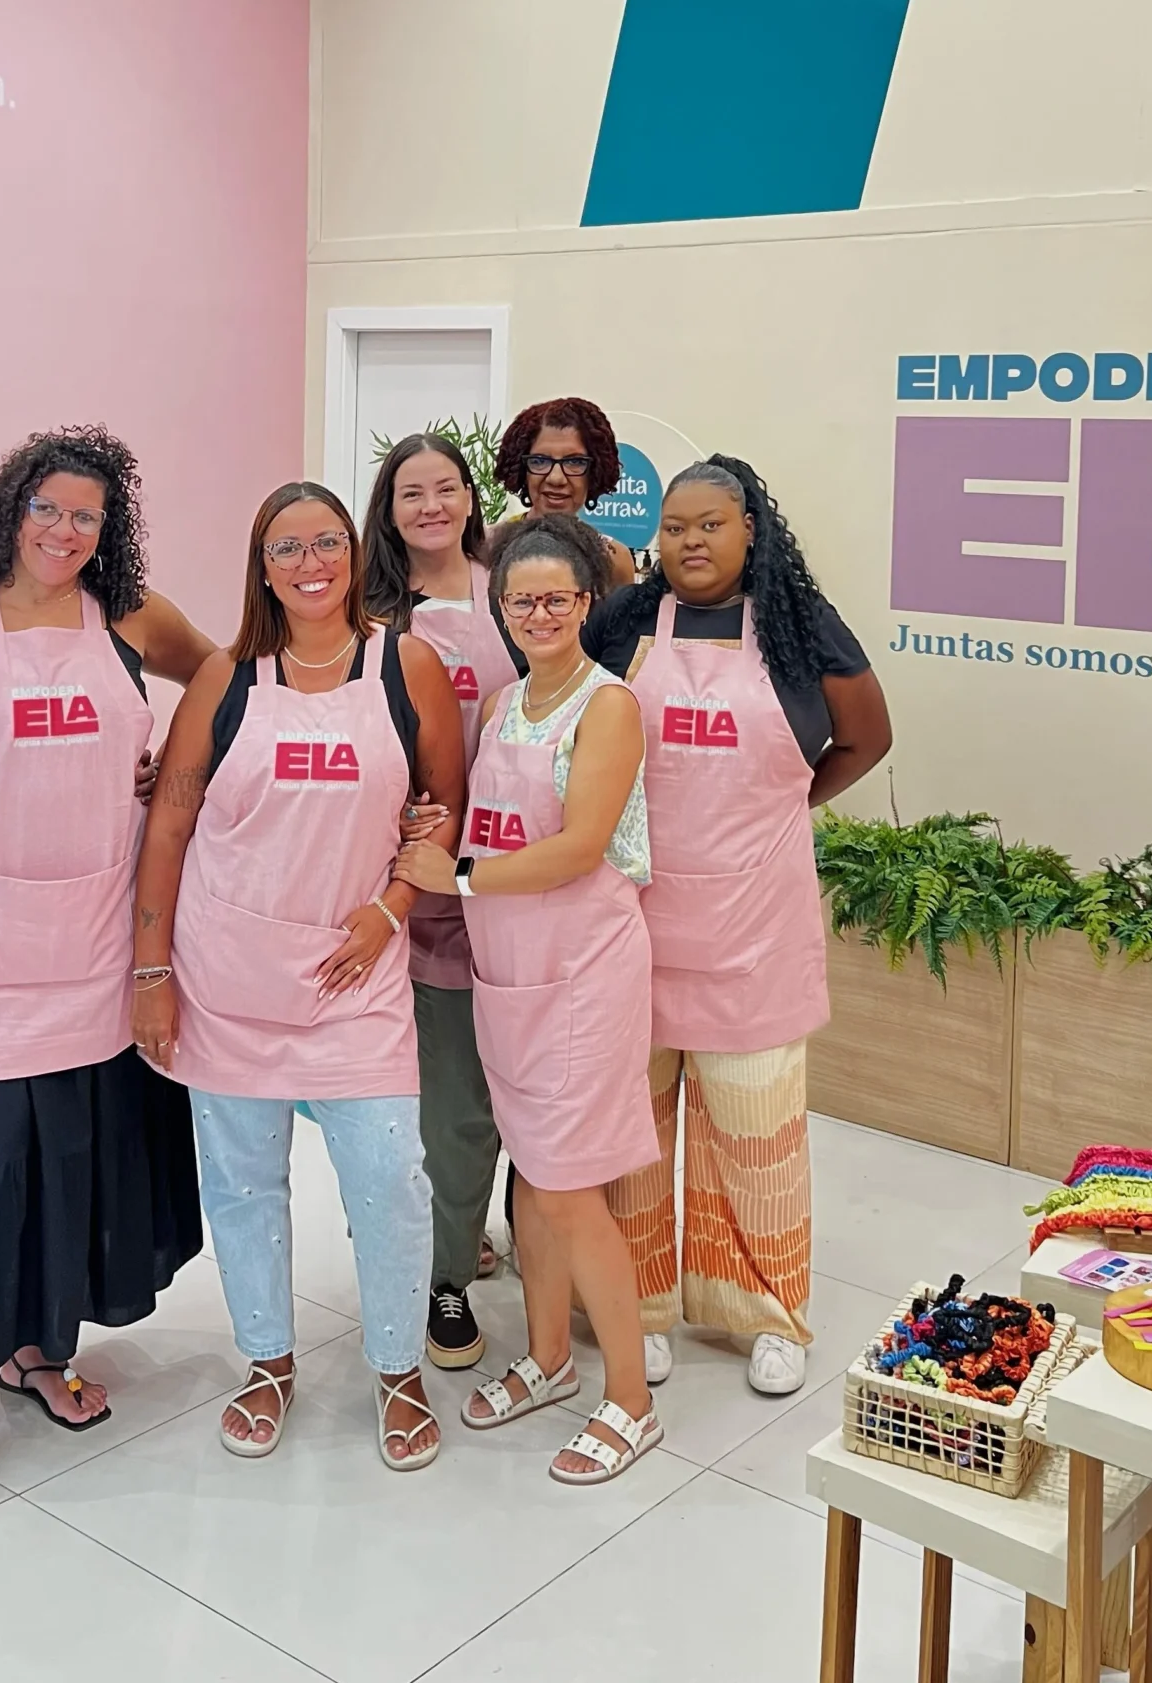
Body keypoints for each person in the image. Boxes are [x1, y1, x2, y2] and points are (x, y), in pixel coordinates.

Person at [0, 425, 215, 1523]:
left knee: (66, 1163)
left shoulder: (123, 618)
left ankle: (35, 1346)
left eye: (88, 518)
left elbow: (217, 671)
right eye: (48, 511)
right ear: (8, 511)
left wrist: (177, 757)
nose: (66, 534)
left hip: (91, 952)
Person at [130, 482, 465, 1470]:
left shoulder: (407, 668)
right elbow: (171, 828)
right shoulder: (228, 681)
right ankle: (267, 1360)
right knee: (241, 1186)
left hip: (353, 974)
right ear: (262, 565)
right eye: (288, 547)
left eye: (327, 542)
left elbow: (441, 808)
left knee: (391, 1182)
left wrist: (390, 909)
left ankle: (399, 1368)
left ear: (354, 554)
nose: (310, 561)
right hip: (227, 974)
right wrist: (153, 968)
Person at [586, 455, 892, 1397]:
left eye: (710, 524)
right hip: (633, 931)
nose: (689, 541)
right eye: (674, 526)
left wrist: (788, 804)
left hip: (753, 929)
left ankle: (767, 1313)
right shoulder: (625, 625)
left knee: (756, 1135)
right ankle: (641, 1305)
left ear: (751, 527)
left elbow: (867, 737)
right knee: (634, 1129)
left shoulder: (802, 629)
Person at [396, 515, 662, 1485]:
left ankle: (629, 1399)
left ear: (588, 603)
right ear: (499, 609)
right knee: (537, 1195)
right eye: (522, 599)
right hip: (509, 980)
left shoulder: (609, 706)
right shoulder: (505, 701)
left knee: (565, 1188)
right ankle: (549, 1359)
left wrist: (455, 874)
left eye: (558, 597)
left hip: (583, 980)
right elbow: (476, 817)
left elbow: (581, 845)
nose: (540, 612)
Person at [361, 433, 522, 1373]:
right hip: (419, 881)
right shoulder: (369, 614)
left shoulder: (520, 591)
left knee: (529, 1087)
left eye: (446, 488)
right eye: (409, 492)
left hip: (527, 870)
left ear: (471, 498)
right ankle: (446, 1272)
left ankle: (506, 1241)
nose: (430, 506)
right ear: (387, 510)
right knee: (451, 1100)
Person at [492, 396, 638, 590]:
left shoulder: (613, 559)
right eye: (540, 461)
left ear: (595, 472)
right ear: (521, 468)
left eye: (575, 462)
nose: (556, 478)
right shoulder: (488, 547)